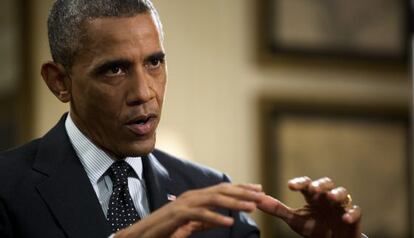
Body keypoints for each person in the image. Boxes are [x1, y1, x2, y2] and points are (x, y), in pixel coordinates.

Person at [0, 0, 366, 237]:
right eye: (114, 69)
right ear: (59, 82)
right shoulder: (7, 188)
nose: (144, 92)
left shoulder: (210, 193)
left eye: (154, 62)